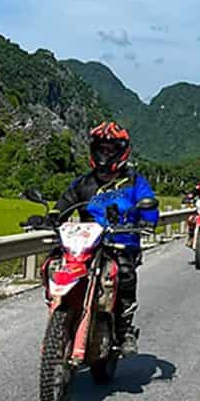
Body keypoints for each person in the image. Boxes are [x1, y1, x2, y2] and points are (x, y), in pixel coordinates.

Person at [47, 121, 159, 355]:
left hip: (120, 242)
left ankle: (125, 329)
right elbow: (65, 203)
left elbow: (148, 203)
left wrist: (148, 219)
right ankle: (59, 308)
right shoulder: (83, 182)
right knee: (53, 261)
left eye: (110, 149)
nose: (104, 154)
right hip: (85, 244)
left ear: (121, 151)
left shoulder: (134, 181)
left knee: (124, 273)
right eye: (101, 148)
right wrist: (51, 216)